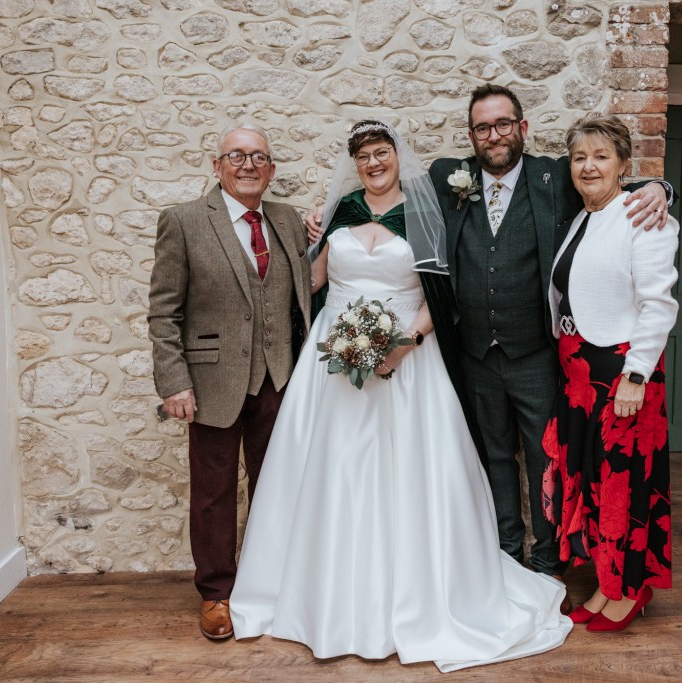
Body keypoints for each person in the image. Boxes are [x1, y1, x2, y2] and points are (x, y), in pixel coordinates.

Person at [229, 120, 572, 672]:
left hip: (407, 359)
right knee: (331, 471)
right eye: (363, 156)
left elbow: (443, 293)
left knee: (408, 473)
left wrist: (402, 344)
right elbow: (312, 282)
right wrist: (304, 239)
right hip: (333, 363)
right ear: (355, 164)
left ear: (396, 156)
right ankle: (323, 595)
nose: (373, 163)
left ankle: (414, 595)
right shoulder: (339, 212)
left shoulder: (424, 213)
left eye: (381, 152)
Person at [423, 84, 674, 611]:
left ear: (522, 127)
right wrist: (329, 222)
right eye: (483, 127)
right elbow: (391, 203)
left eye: (503, 124)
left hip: (537, 354)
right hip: (476, 353)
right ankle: (504, 553)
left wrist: (663, 188)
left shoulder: (554, 175)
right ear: (471, 135)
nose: (494, 135)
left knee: (548, 458)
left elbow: (610, 180)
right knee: (492, 455)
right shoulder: (448, 178)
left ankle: (547, 562)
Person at [148, 123, 312, 641]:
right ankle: (216, 593)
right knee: (213, 492)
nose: (248, 165)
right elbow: (164, 311)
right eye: (236, 156)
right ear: (216, 165)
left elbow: (305, 290)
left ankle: (272, 583)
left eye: (258, 157)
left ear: (272, 169)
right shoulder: (184, 220)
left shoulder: (288, 220)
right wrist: (174, 382)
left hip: (279, 377)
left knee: (277, 485)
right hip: (211, 382)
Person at [543, 115, 678, 632]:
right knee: (596, 484)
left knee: (624, 485)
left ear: (624, 164)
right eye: (579, 158)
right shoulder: (584, 217)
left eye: (601, 156)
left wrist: (636, 376)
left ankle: (632, 589)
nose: (588, 166)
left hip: (621, 373)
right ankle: (607, 583)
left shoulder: (644, 215)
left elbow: (658, 305)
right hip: (581, 377)